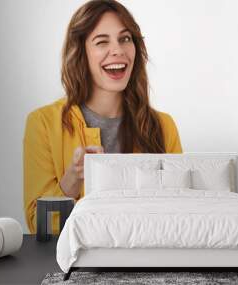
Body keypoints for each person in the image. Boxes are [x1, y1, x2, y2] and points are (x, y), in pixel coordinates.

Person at [23, 0, 183, 234]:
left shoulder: (163, 126)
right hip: (78, 266)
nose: (117, 49)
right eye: (102, 42)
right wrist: (72, 180)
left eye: (125, 38)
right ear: (81, 53)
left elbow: (179, 214)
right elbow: (39, 227)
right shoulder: (43, 124)